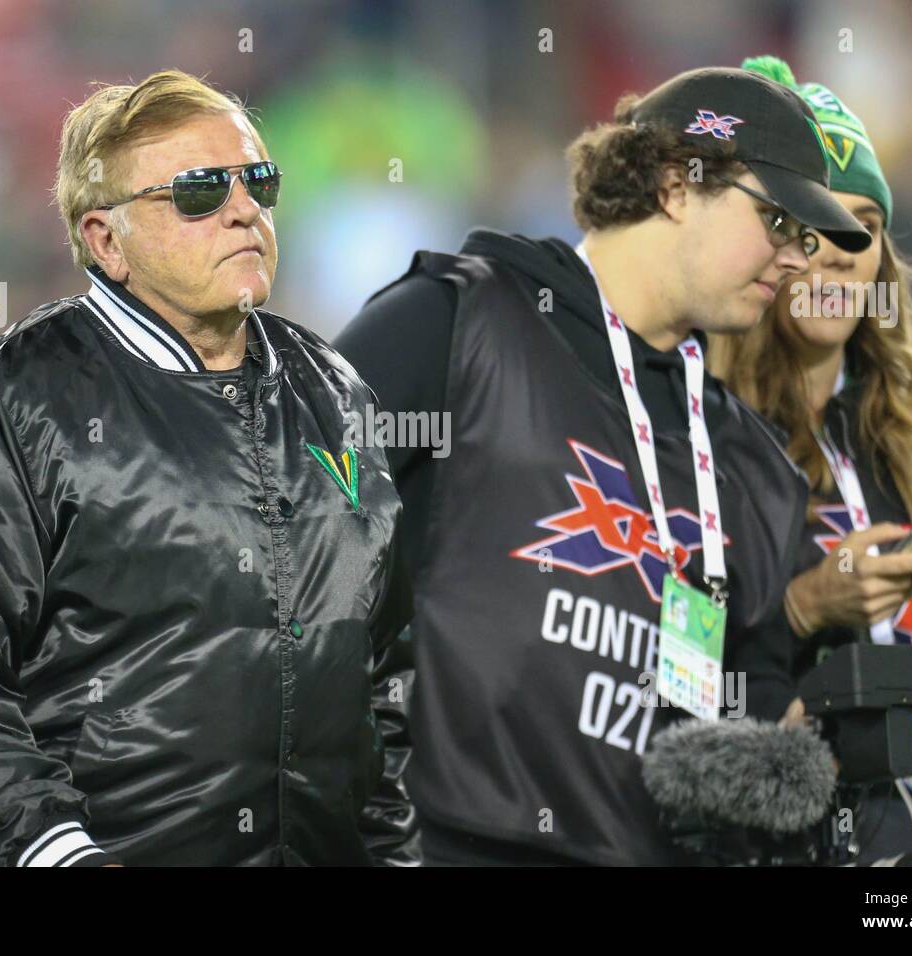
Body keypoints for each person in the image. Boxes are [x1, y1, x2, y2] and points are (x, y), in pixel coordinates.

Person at [0, 70, 417, 866]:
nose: (243, 210)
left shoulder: (334, 390)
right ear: (104, 240)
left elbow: (385, 677)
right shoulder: (9, 399)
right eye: (197, 191)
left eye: (258, 182)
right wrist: (54, 854)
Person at [334, 67, 871, 865]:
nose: (795, 260)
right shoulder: (449, 324)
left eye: (805, 237)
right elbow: (292, 538)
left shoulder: (754, 467)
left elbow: (743, 694)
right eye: (777, 220)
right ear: (675, 186)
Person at [709, 56, 912, 865]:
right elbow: (667, 700)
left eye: (861, 222)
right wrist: (803, 609)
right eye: (809, 221)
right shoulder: (696, 441)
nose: (836, 252)